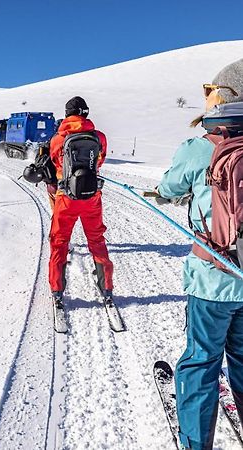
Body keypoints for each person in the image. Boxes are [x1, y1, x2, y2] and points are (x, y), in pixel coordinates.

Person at [154, 59, 243, 450]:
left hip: (214, 280)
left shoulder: (199, 147)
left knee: (202, 361)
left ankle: (195, 441)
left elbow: (170, 188)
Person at [49, 96, 113, 303]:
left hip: (65, 197)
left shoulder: (58, 138)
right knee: (96, 239)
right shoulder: (99, 137)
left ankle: (57, 288)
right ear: (86, 113)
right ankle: (106, 286)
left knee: (59, 241)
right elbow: (100, 160)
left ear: (67, 114)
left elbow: (54, 161)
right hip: (91, 196)